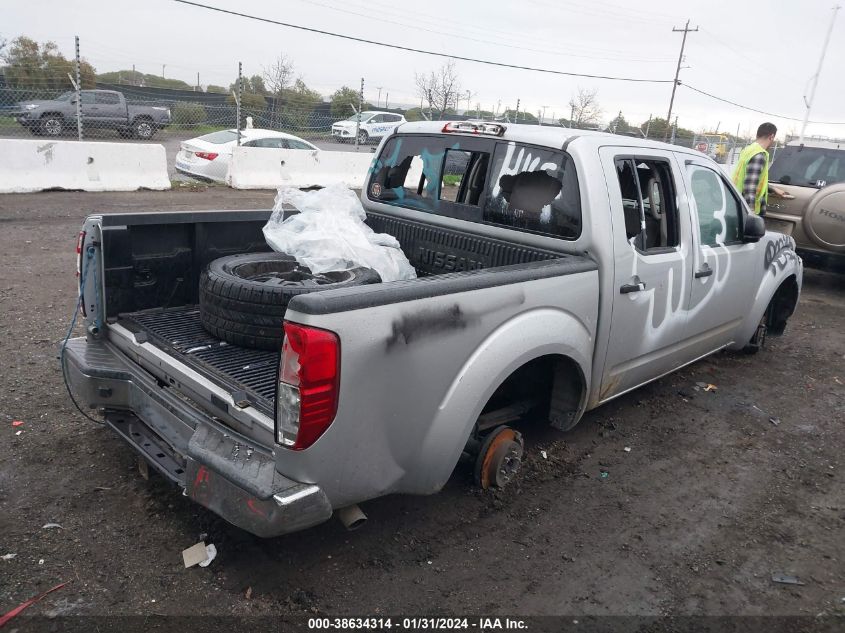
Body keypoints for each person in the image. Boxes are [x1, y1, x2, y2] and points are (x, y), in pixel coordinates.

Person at [732, 122, 792, 215]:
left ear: (757, 134)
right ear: (771, 136)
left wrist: (773, 189)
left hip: (736, 202)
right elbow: (750, 186)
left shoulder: (749, 150)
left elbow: (750, 178)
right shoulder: (759, 155)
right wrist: (751, 214)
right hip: (747, 210)